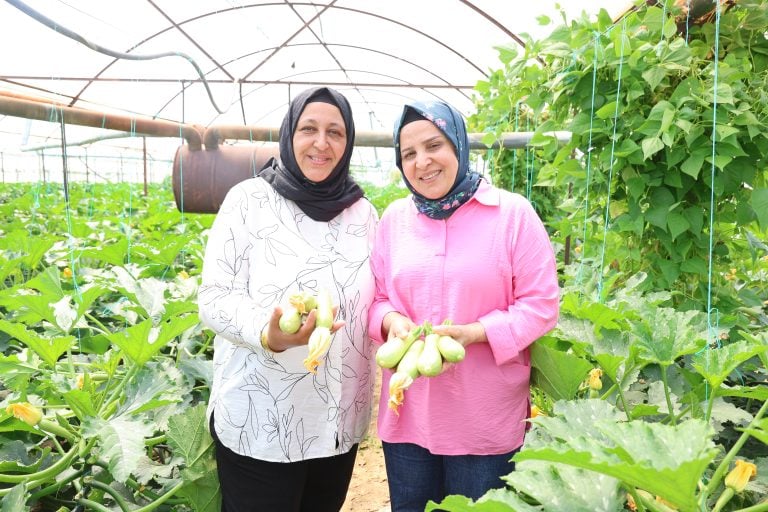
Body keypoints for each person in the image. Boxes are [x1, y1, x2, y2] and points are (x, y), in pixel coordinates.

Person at [368, 100, 560, 511]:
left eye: (433, 145)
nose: (422, 162)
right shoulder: (394, 220)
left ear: (457, 144)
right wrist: (392, 321)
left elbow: (542, 304)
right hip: (408, 415)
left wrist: (476, 332)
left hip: (484, 421)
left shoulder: (512, 215)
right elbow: (377, 298)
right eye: (408, 154)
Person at [198, 86, 378, 512]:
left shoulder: (364, 214)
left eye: (335, 131)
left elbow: (381, 297)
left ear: (348, 141)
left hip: (336, 420)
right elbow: (214, 297)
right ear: (288, 135)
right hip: (260, 420)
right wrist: (268, 333)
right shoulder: (248, 202)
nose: (322, 142)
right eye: (308, 129)